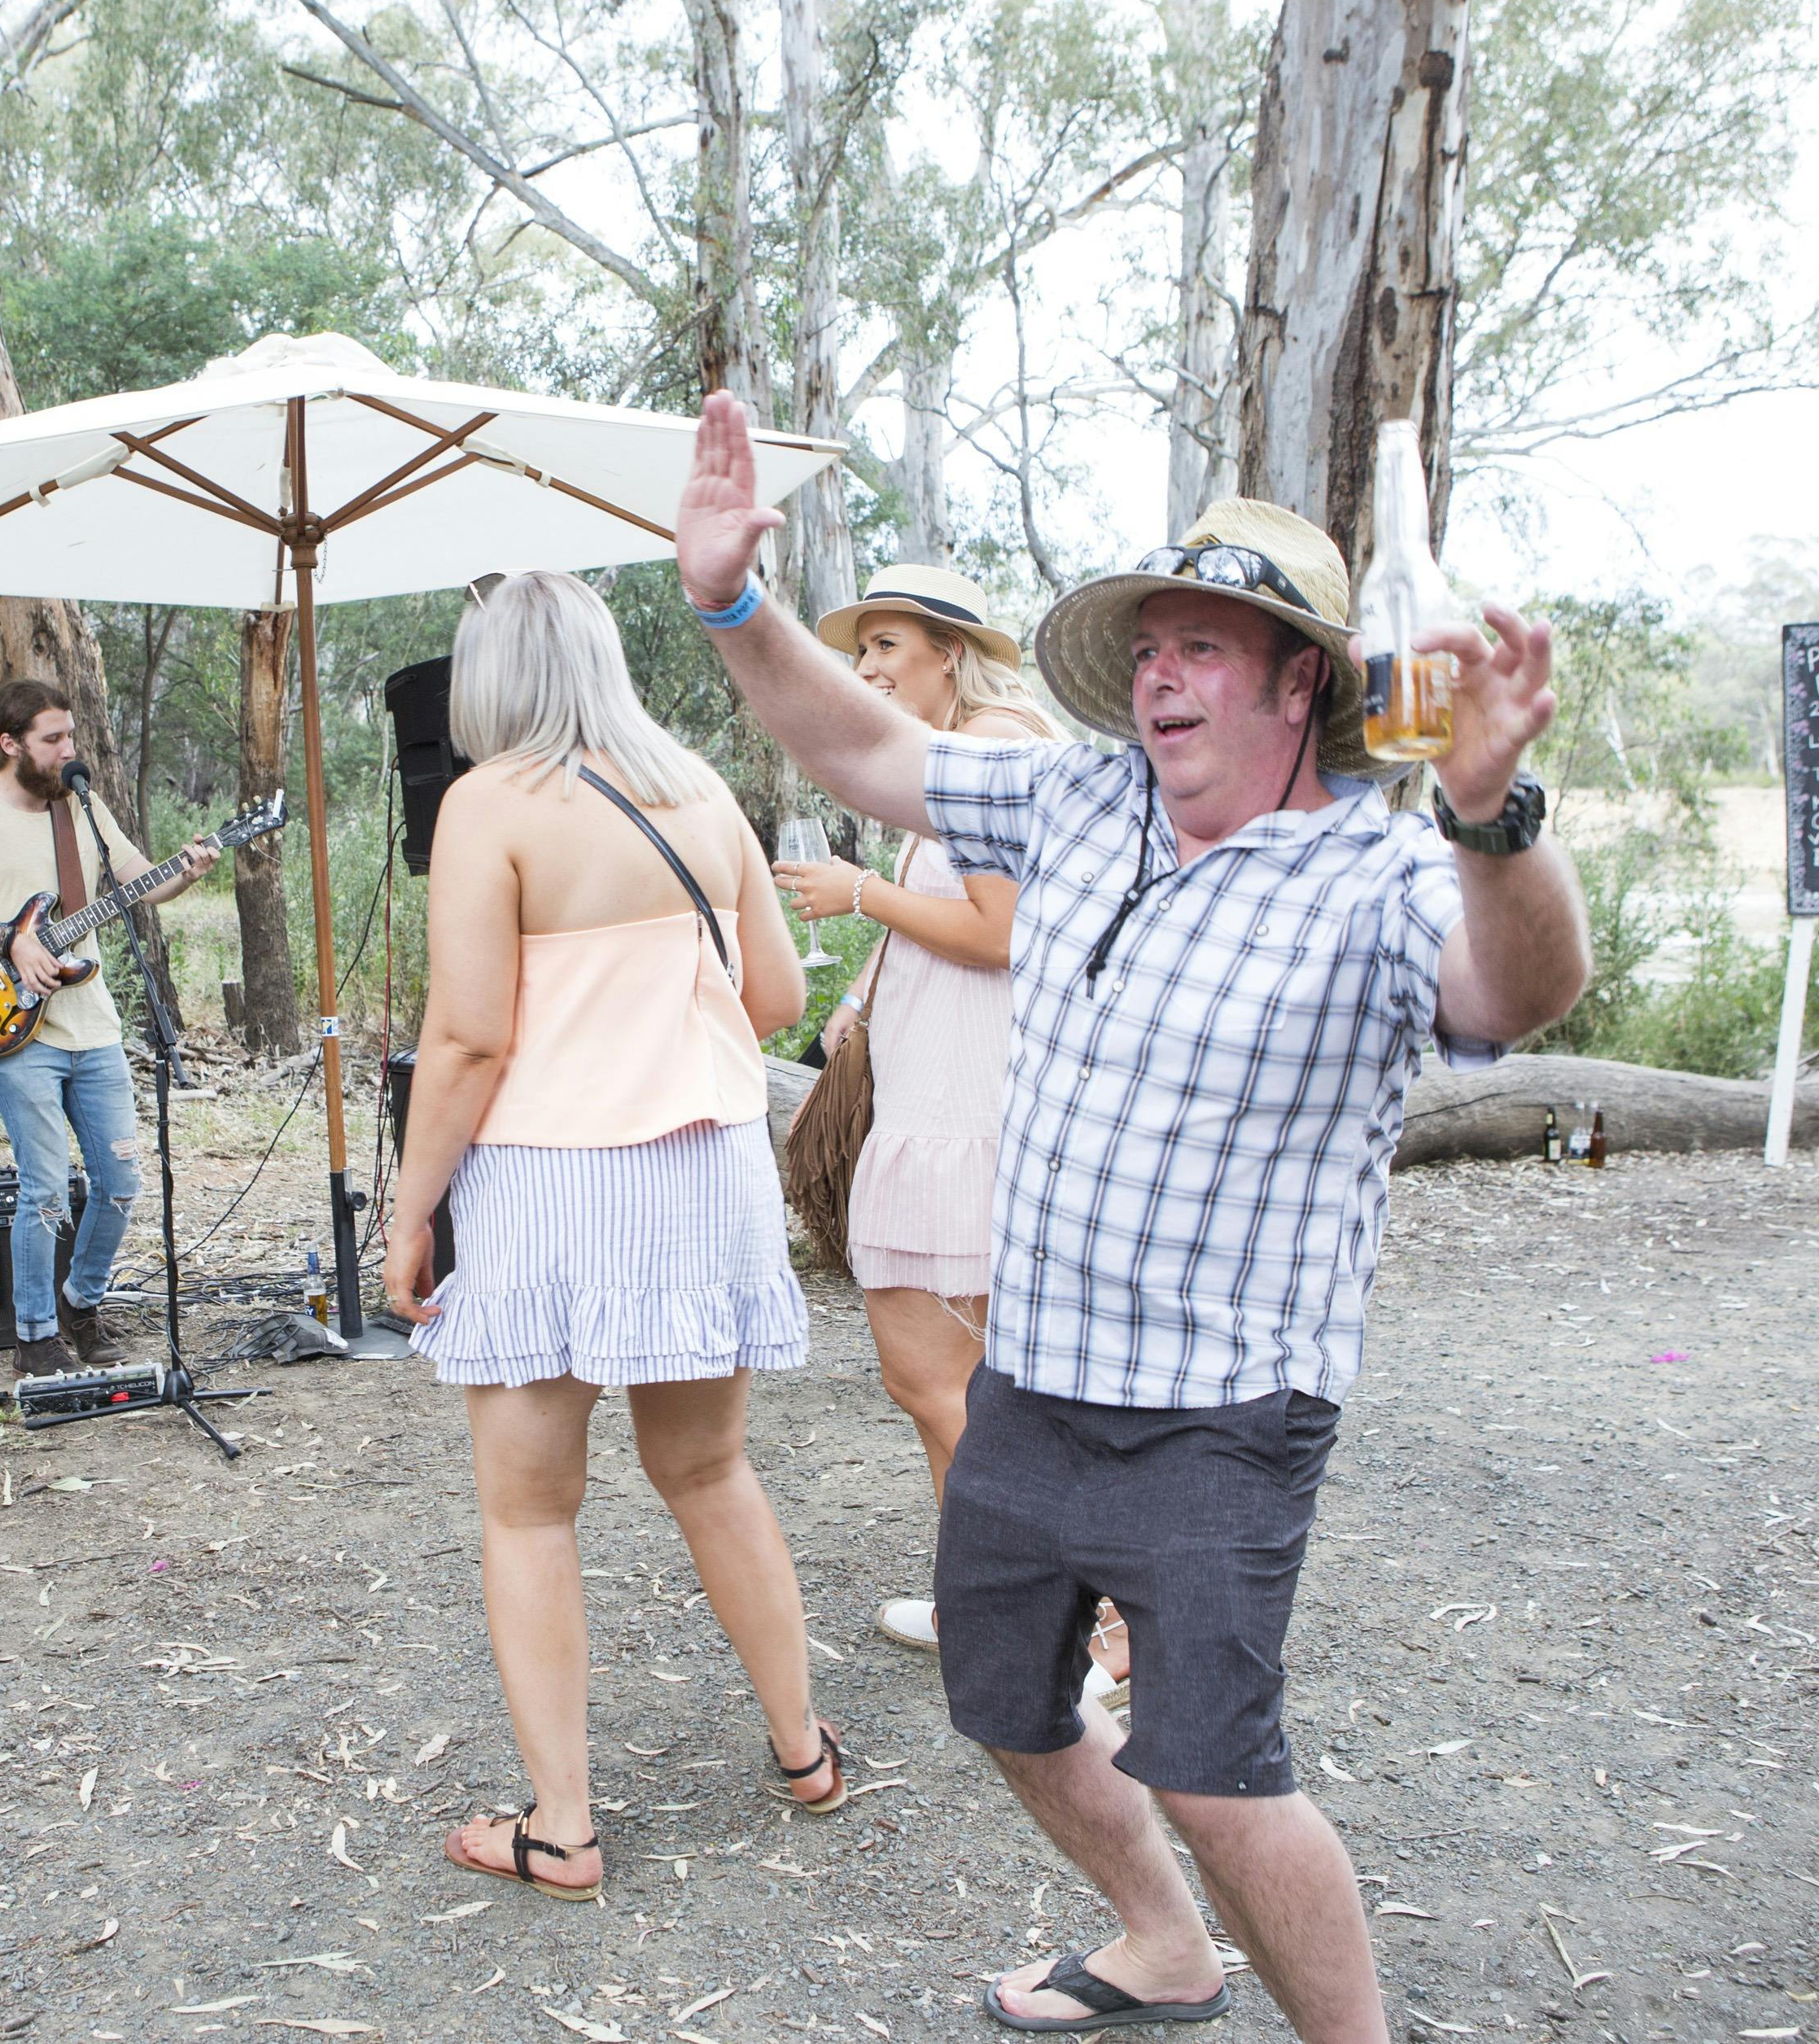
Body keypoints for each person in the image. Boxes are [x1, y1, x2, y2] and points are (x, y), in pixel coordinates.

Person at [676, 395, 1589, 2039]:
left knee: (1218, 1773)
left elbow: (1514, 989)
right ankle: (1159, 1938)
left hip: (1225, 1408)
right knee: (1001, 1696)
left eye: (1206, 648)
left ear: (1302, 679)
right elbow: (867, 748)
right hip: (1035, 1376)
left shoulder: (1374, 875)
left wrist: (1492, 815)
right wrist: (733, 606)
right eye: (1151, 644)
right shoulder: (1078, 801)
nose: (1162, 673)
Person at [383, 568, 847, 1902]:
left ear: (489, 679)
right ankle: (805, 1749)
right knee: (711, 1471)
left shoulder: (486, 803)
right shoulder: (701, 790)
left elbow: (468, 1038)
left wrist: (412, 1210)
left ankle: (567, 1827)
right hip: (705, 1167)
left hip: (552, 1181)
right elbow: (766, 992)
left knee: (529, 1512)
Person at [773, 566, 1060, 1657]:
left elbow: (1004, 931)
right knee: (959, 1379)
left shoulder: (993, 749)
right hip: (944, 1092)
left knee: (938, 1377)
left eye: (886, 644)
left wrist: (860, 892)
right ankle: (992, 1603)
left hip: (964, 1106)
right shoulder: (963, 754)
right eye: (859, 652)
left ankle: (1074, 1617)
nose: (867, 670)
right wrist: (858, 991)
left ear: (950, 648)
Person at [0, 680, 217, 1376]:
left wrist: (191, 869)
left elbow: (145, 879)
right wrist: (8, 941)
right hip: (18, 1026)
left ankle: (82, 1302)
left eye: (70, 736)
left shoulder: (81, 805)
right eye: (53, 739)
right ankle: (36, 1333)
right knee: (44, 1186)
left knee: (120, 1182)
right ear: (10, 743)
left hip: (94, 1025)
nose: (68, 751)